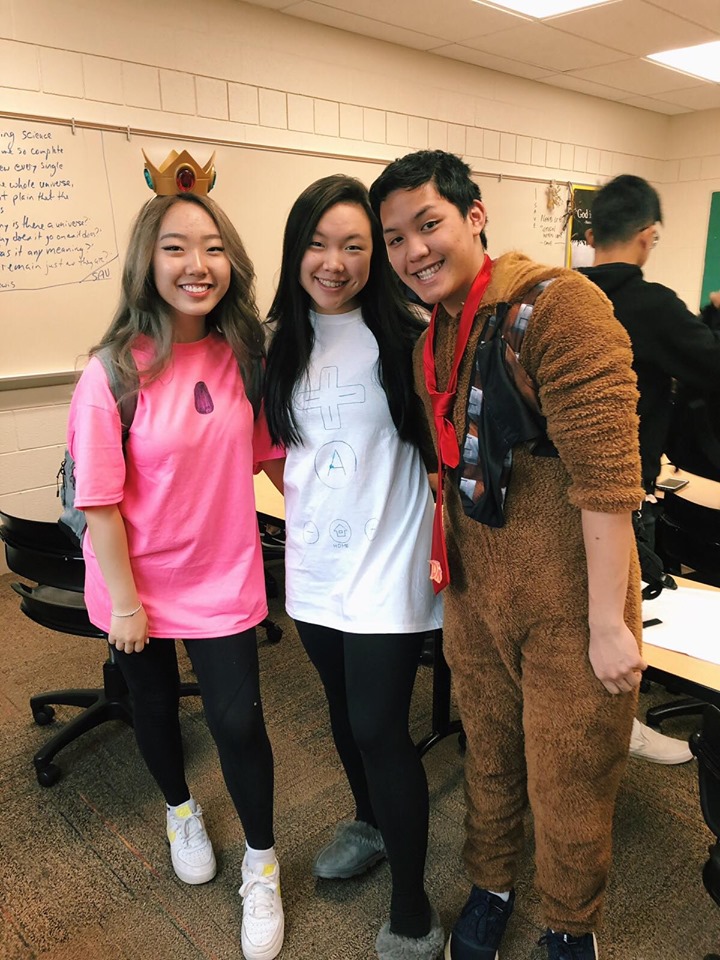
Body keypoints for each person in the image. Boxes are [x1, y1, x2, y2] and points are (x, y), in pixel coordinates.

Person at [369, 150, 645, 960]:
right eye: (394, 239)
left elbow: (608, 478)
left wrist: (606, 624)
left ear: (474, 216)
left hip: (571, 602)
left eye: (429, 224)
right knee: (487, 753)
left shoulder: (560, 308)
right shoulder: (439, 330)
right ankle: (491, 880)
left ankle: (569, 922)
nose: (413, 251)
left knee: (571, 777)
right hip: (478, 593)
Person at [67, 178, 285, 960]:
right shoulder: (112, 373)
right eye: (177, 248)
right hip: (136, 586)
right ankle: (179, 809)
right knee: (156, 712)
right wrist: (125, 604)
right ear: (147, 263)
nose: (199, 263)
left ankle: (262, 865)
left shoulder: (243, 357)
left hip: (223, 575)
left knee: (237, 722)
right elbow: (98, 503)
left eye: (214, 248)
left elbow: (270, 459)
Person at [263, 174, 444, 960]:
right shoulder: (280, 339)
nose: (333, 262)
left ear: (378, 254)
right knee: (342, 715)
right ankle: (367, 824)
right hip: (313, 570)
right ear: (295, 249)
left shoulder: (407, 332)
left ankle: (414, 911)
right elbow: (285, 458)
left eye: (355, 246)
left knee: (379, 725)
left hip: (389, 564)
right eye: (317, 243)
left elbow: (436, 448)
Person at [581, 174, 720, 765]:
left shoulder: (562, 296)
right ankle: (618, 728)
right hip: (620, 492)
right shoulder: (655, 306)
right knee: (615, 619)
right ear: (648, 235)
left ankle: (587, 724)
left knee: (577, 617)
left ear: (590, 233)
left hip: (557, 488)